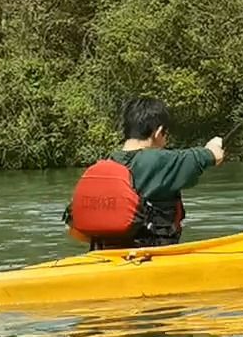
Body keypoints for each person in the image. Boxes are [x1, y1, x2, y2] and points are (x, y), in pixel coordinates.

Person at [65, 97, 225, 249]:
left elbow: (77, 231)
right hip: (151, 258)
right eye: (165, 135)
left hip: (104, 255)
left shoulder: (105, 164)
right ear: (158, 132)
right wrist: (215, 144)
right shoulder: (161, 161)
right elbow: (215, 155)